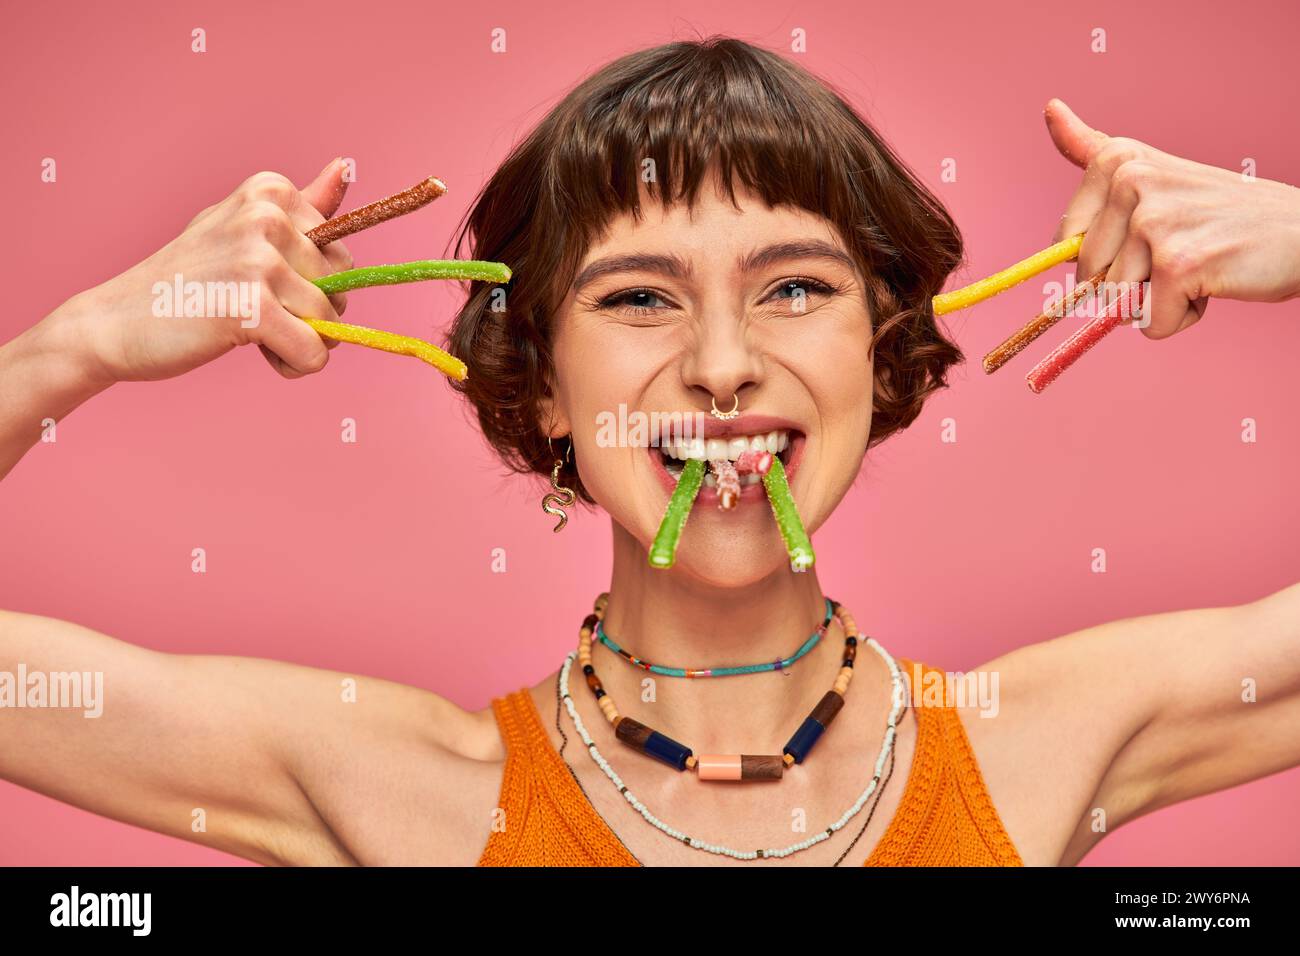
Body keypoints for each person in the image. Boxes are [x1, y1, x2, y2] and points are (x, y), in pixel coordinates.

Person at [1, 37, 1297, 867]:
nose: (724, 363)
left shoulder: (1047, 744)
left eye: (794, 289)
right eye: (637, 298)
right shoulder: (404, 791)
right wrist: (78, 343)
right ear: (545, 385)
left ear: (884, 348)